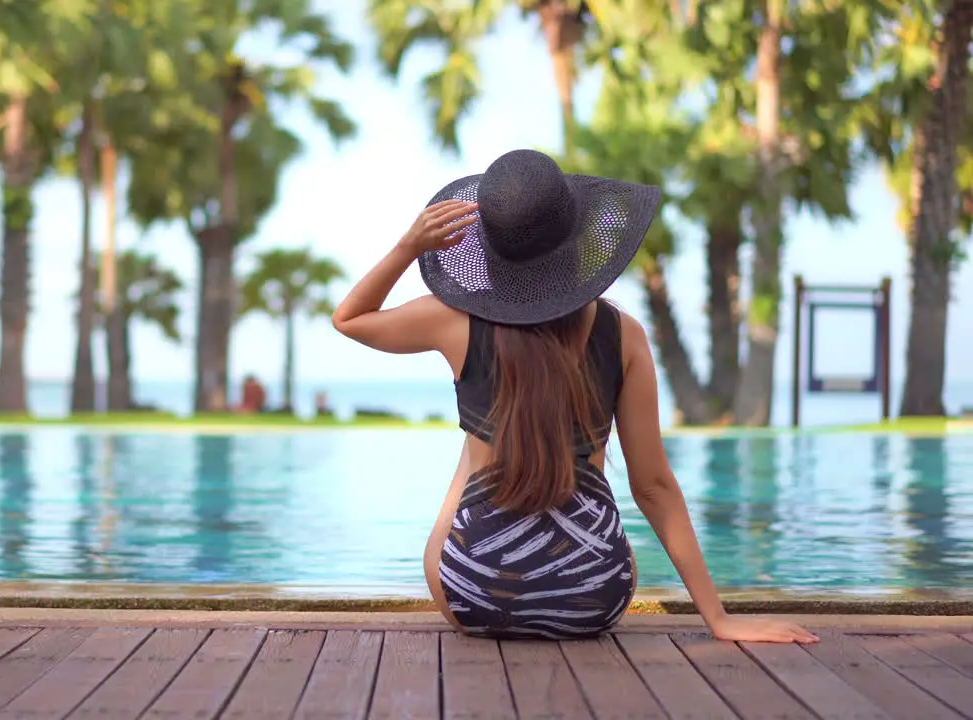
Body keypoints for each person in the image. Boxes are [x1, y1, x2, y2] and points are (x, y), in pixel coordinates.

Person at [331, 149, 818, 644]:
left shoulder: (452, 321)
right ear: (577, 241)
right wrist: (720, 619)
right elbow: (653, 487)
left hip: (475, 597)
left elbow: (349, 319)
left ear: (489, 248)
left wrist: (406, 248)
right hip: (591, 599)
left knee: (478, 439)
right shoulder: (623, 335)